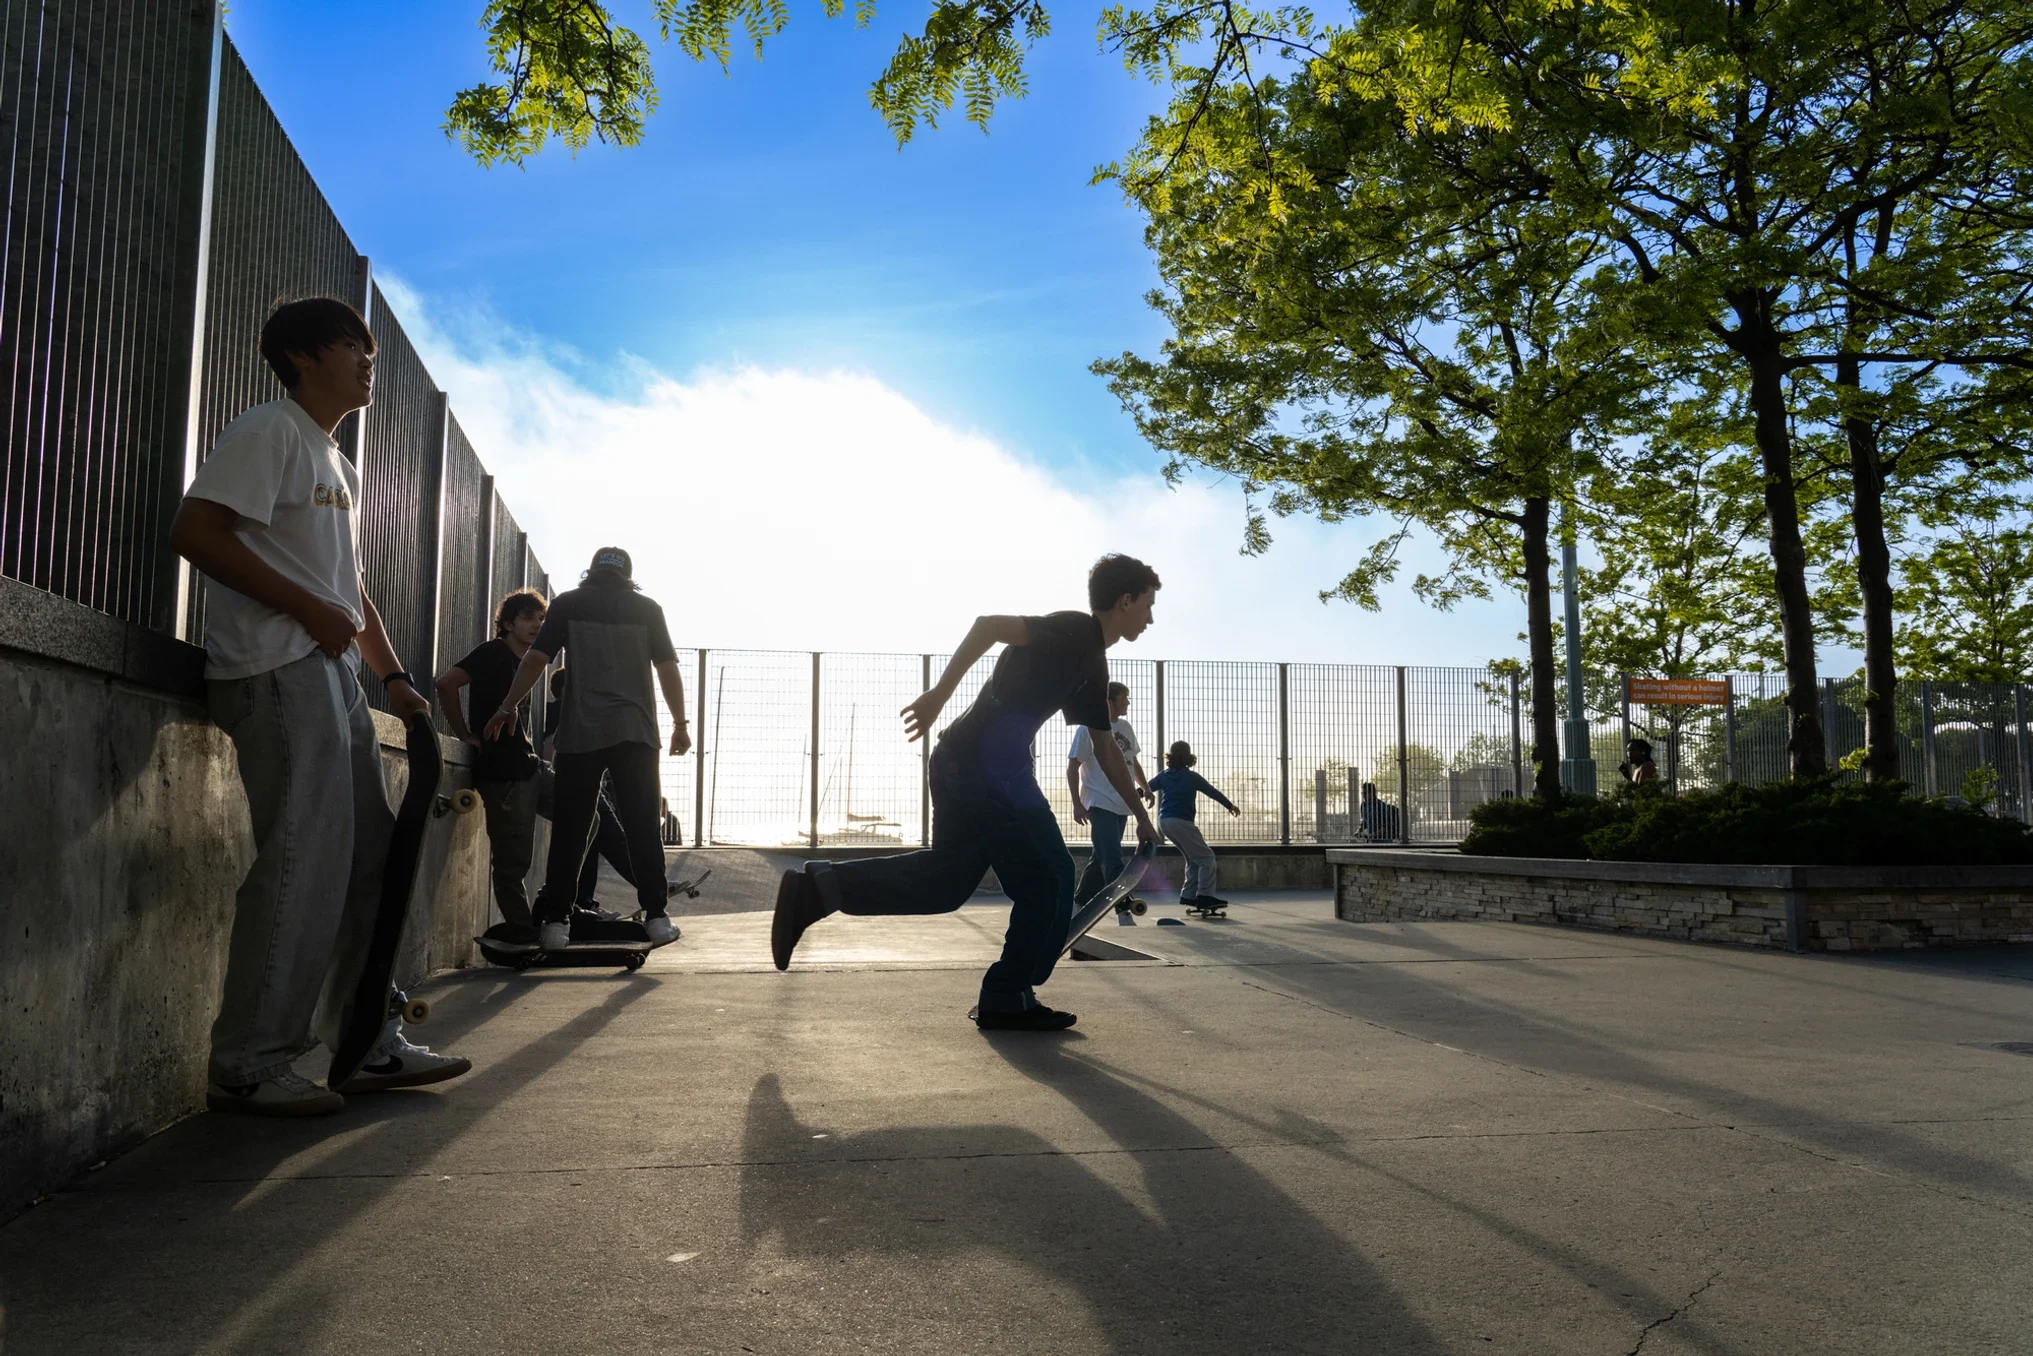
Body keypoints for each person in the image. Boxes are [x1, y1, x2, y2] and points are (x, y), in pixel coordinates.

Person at [169, 296, 470, 1117]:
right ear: (303, 357)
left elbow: (349, 588)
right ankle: (248, 1062)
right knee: (304, 862)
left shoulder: (337, 461)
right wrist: (304, 610)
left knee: (369, 858)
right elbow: (196, 531)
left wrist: (394, 675)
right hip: (272, 670)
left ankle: (368, 1042)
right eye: (352, 347)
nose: (368, 363)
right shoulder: (268, 429)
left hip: (330, 673)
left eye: (370, 351)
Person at [770, 554, 1163, 1031]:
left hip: (964, 761)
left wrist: (1140, 817)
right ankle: (1007, 993)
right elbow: (989, 625)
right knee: (1051, 874)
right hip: (987, 768)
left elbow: (1104, 746)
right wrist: (939, 693)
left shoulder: (1092, 666)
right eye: (1147, 604)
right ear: (1125, 600)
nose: (1150, 616)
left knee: (947, 882)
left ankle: (817, 889)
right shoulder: (1071, 630)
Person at [484, 547, 690, 951]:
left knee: (571, 828)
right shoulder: (648, 608)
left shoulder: (568, 605)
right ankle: (657, 918)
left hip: (581, 733)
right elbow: (668, 669)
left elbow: (537, 660)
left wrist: (507, 707)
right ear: (628, 576)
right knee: (642, 826)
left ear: (590, 572)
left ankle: (556, 924)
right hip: (636, 733)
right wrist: (681, 726)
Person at [435, 589, 645, 948]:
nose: (537, 625)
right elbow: (446, 683)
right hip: (504, 775)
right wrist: (464, 734)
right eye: (529, 618)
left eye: (542, 619)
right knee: (513, 861)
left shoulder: (528, 662)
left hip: (531, 766)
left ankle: (553, 899)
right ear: (507, 623)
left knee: (586, 817)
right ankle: (523, 932)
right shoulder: (493, 652)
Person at [1067, 681, 1154, 920]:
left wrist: (1145, 787)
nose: (1128, 702)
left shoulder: (1125, 727)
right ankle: (1123, 910)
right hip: (1099, 801)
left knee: (1100, 858)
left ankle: (1077, 905)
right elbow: (1073, 766)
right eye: (1124, 697)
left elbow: (1131, 762)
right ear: (1110, 701)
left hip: (1122, 803)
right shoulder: (1087, 728)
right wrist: (1076, 802)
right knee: (1112, 857)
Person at [1147, 742, 1241, 908]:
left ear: (1171, 756)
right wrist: (1229, 805)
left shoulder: (1164, 775)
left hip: (1164, 822)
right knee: (1207, 858)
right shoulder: (1191, 777)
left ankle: (1188, 895)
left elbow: (1145, 789)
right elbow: (1212, 791)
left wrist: (1127, 797)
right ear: (1189, 757)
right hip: (1181, 821)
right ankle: (1205, 896)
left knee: (1192, 858)